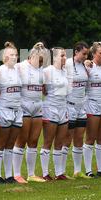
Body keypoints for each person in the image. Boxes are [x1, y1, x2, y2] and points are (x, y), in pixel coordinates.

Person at [13, 42, 47, 183]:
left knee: (33, 141)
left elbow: (43, 88)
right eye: (38, 59)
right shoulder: (20, 67)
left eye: (42, 60)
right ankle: (16, 174)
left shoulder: (42, 70)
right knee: (21, 140)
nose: (40, 62)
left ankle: (31, 174)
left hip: (38, 106)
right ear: (31, 56)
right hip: (24, 106)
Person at [0, 42, 22, 184]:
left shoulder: (19, 70)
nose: (14, 57)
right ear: (4, 57)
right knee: (0, 143)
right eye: (11, 55)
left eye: (16, 55)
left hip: (17, 110)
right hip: (3, 109)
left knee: (10, 144)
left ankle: (9, 176)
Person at [41, 47, 69, 181]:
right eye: (62, 55)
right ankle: (45, 173)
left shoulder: (65, 71)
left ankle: (59, 173)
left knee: (60, 142)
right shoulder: (47, 71)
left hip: (63, 108)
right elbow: (43, 89)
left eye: (65, 55)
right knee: (48, 141)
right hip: (50, 108)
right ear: (54, 58)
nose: (65, 58)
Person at [84, 42, 101, 177]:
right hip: (92, 104)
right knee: (91, 137)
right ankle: (88, 170)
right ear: (94, 54)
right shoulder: (88, 67)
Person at [65, 42, 89, 178]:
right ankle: (60, 172)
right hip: (70, 105)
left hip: (82, 106)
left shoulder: (85, 65)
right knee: (67, 139)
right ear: (76, 52)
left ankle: (77, 170)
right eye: (83, 53)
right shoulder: (67, 63)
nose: (86, 56)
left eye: (87, 54)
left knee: (79, 138)